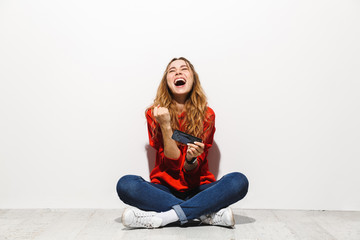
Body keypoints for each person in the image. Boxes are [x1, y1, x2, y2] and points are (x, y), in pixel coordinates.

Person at [116, 57, 249, 229]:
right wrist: (165, 124)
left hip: (199, 188)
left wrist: (191, 160)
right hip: (164, 190)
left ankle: (165, 217)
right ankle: (204, 213)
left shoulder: (207, 115)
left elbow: (191, 173)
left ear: (193, 78)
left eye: (184, 69)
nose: (178, 72)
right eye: (172, 70)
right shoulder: (154, 114)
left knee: (238, 181)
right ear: (167, 82)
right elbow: (171, 164)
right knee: (126, 185)